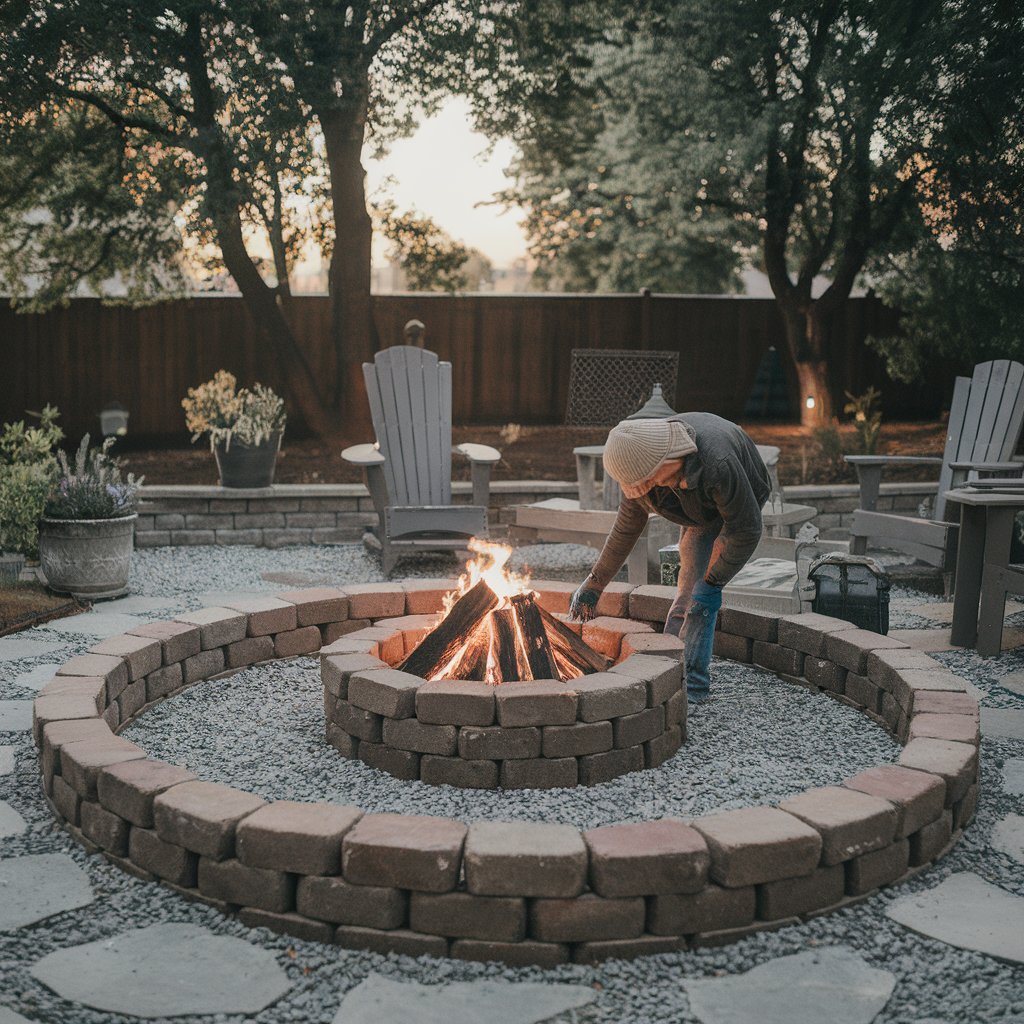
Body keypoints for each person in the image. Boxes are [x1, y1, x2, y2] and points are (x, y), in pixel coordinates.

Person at [569, 413, 771, 702]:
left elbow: (747, 529)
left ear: (664, 461)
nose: (641, 490)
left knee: (701, 596)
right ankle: (669, 669)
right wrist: (594, 583)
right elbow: (626, 530)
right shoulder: (640, 463)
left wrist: (714, 581)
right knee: (686, 590)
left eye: (648, 482)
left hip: (738, 499)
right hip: (694, 503)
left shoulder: (718, 464)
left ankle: (694, 689)